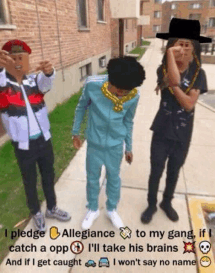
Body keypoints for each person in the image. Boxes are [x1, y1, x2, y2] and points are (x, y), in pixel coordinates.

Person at [141, 18, 212, 224]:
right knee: (156, 169)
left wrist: (174, 89)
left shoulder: (200, 74)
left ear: (195, 48)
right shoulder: (161, 69)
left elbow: (189, 105)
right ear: (171, 46)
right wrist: (170, 58)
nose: (183, 48)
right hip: (162, 129)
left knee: (174, 169)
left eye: (187, 44)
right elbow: (173, 79)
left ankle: (166, 202)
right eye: (178, 43)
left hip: (182, 133)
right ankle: (152, 204)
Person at [0, 40, 71, 231]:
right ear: (8, 62)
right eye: (13, 59)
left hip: (43, 140)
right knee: (29, 179)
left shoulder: (33, 81)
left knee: (48, 174)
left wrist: (48, 72)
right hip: (23, 145)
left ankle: (52, 208)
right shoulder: (3, 85)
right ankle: (36, 211)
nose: (18, 62)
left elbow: (46, 84)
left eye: (22, 58)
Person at [72, 56, 145, 230]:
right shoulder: (92, 85)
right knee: (92, 178)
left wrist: (129, 147)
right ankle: (93, 209)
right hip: (94, 145)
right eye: (118, 89)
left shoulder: (133, 95)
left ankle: (112, 209)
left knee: (114, 178)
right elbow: (81, 107)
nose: (121, 94)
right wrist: (76, 132)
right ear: (110, 79)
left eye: (125, 91)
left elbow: (128, 121)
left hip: (115, 146)